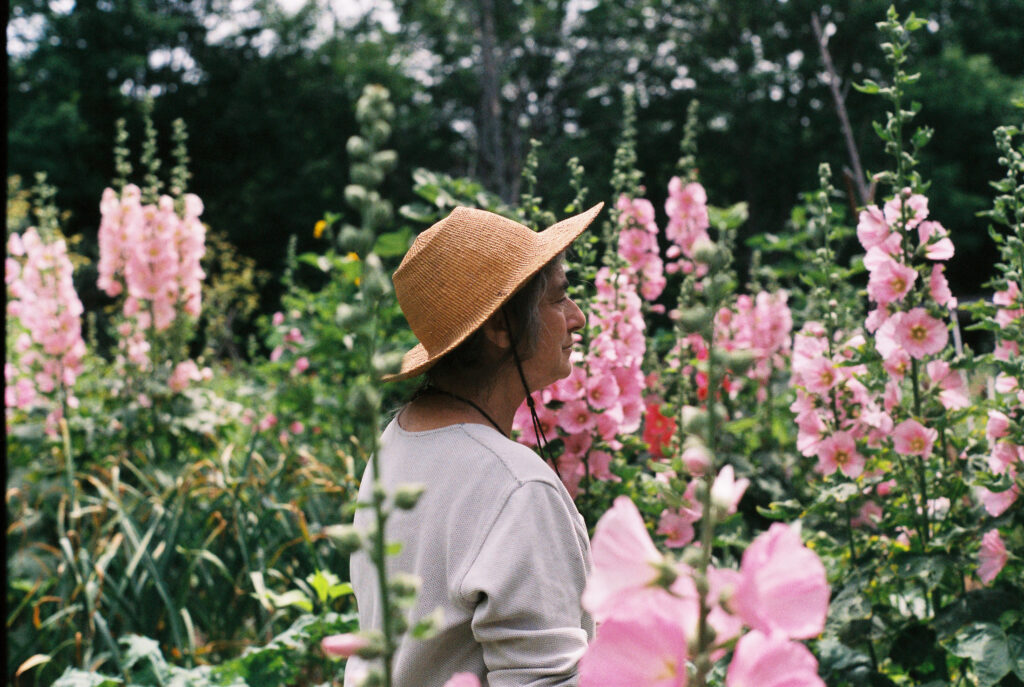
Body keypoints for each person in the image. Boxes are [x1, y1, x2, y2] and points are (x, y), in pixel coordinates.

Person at [345, 202, 604, 687]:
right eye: (558, 299)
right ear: (500, 328)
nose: (578, 317)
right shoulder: (514, 486)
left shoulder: (396, 442)